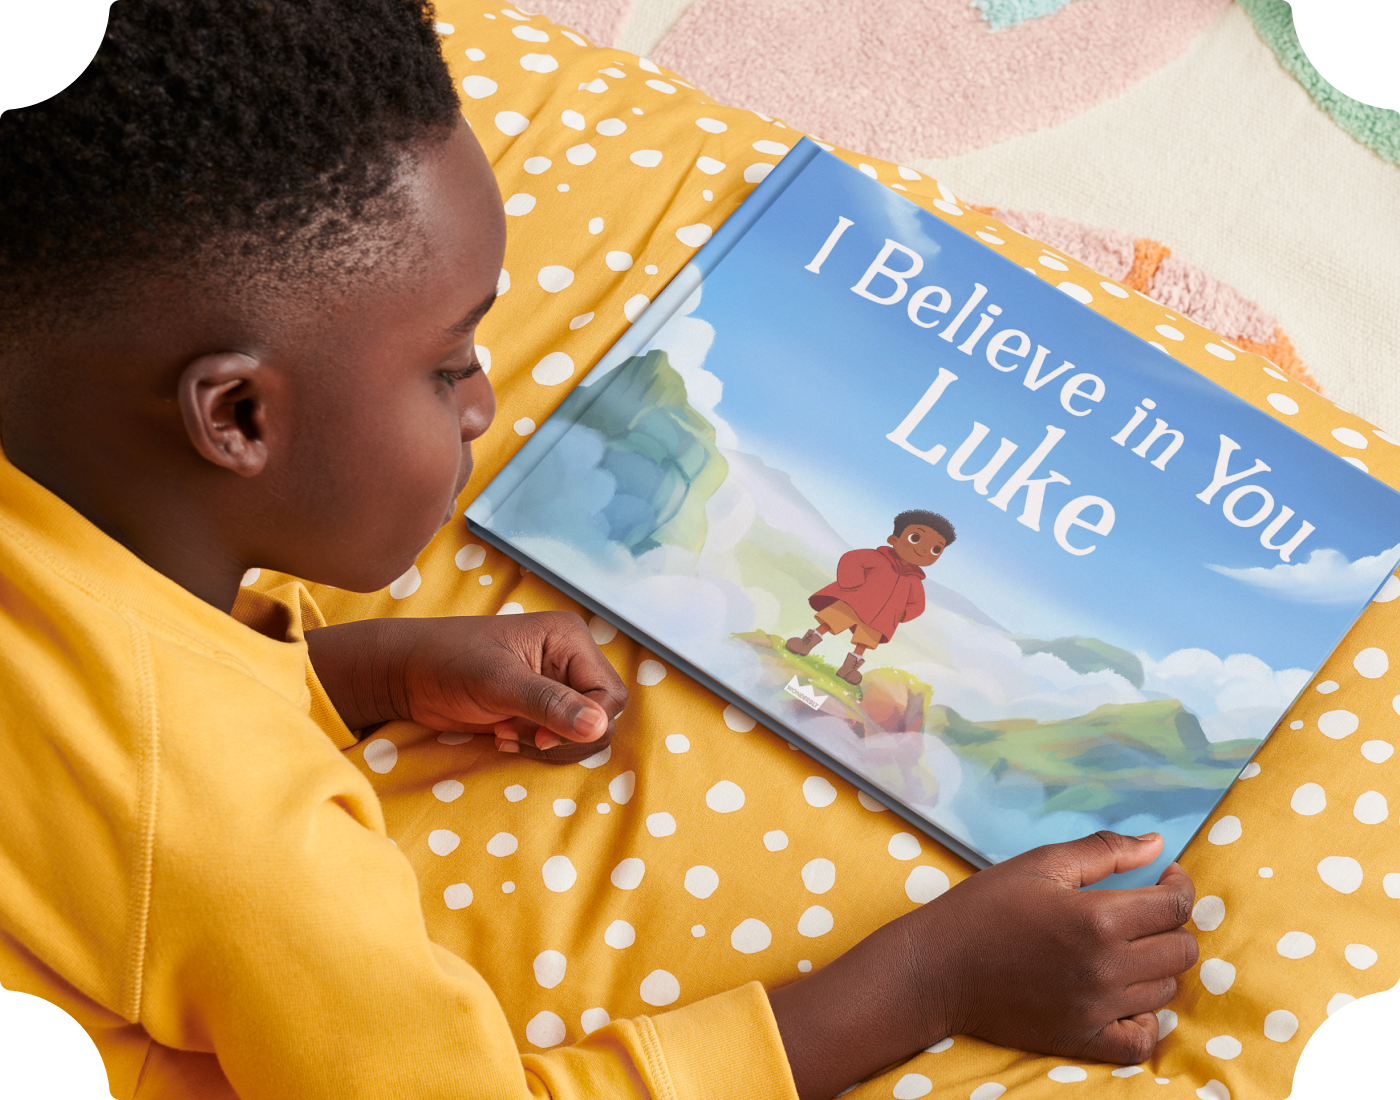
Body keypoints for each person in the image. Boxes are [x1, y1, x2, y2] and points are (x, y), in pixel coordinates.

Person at [0, 3, 1200, 1098]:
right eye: (445, 363)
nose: (481, 400)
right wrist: (930, 976)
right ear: (239, 418)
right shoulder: (255, 850)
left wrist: (363, 670)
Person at [786, 510, 954, 685]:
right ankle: (806, 643)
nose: (924, 550)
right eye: (915, 538)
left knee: (865, 642)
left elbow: (917, 603)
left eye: (936, 549)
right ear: (893, 540)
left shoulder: (914, 581)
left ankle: (849, 668)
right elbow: (852, 560)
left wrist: (903, 614)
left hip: (881, 618)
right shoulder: (877, 558)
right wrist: (853, 583)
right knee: (830, 621)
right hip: (854, 602)